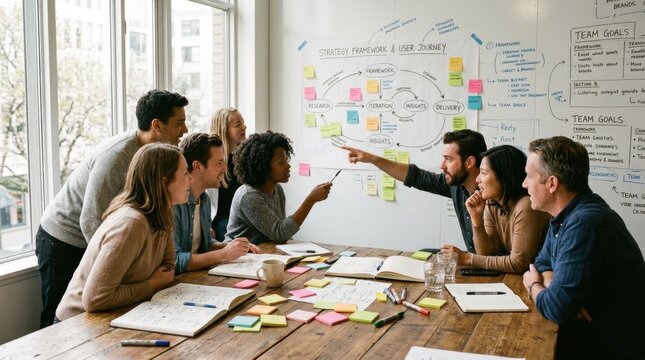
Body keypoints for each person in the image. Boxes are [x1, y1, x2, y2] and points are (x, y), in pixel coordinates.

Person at [35, 89, 188, 328]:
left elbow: (165, 265)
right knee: (58, 322)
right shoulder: (116, 157)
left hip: (114, 234)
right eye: (180, 123)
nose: (185, 130)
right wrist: (109, 257)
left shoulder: (159, 197)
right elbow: (91, 218)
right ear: (157, 124)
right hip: (64, 236)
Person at [521, 136, 645, 359]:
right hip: (591, 336)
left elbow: (557, 308)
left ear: (552, 183)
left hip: (610, 348)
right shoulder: (565, 214)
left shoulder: (583, 223)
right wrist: (551, 285)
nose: (524, 184)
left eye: (530, 176)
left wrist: (533, 285)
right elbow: (541, 261)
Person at [55, 143, 188, 321]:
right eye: (185, 173)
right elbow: (95, 299)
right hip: (79, 322)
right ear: (165, 183)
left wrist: (156, 282)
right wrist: (151, 284)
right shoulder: (131, 224)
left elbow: (167, 269)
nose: (191, 180)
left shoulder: (163, 213)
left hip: (122, 312)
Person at [342, 129, 486, 252]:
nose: (442, 166)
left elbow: (495, 255)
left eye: (448, 159)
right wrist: (371, 158)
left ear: (469, 162)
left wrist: (466, 259)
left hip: (491, 269)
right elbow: (414, 176)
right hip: (472, 262)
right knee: (422, 255)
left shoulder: (492, 196)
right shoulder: (456, 186)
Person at [441, 145, 550, 273]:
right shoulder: (492, 203)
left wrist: (467, 259)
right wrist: (476, 219)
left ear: (503, 177)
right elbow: (486, 253)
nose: (477, 179)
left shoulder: (526, 205)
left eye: (483, 173)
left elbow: (519, 263)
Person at [174, 133, 259, 275]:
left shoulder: (205, 199)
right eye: (219, 163)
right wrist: (224, 254)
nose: (225, 169)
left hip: (197, 278)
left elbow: (206, 245)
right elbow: (175, 261)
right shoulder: (174, 204)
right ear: (197, 166)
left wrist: (235, 247)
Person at [226, 131, 332, 244]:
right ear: (264, 166)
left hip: (265, 251)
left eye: (287, 159)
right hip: (240, 257)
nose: (288, 165)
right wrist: (310, 200)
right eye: (281, 162)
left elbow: (280, 234)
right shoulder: (249, 196)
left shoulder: (277, 189)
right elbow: (280, 233)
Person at [207, 107, 247, 241]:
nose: (244, 127)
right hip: (223, 219)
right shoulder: (213, 162)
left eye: (243, 122)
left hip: (243, 218)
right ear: (224, 129)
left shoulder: (244, 157)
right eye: (238, 124)